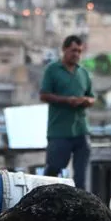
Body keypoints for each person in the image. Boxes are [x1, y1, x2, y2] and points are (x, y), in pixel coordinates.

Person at [39, 35, 95, 190]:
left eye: (79, 51)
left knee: (80, 176)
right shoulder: (53, 70)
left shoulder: (83, 72)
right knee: (53, 170)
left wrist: (86, 101)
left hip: (81, 130)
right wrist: (66, 100)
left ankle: (80, 207)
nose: (76, 54)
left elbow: (92, 97)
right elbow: (44, 94)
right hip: (59, 131)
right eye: (73, 51)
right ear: (64, 50)